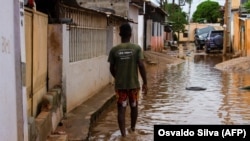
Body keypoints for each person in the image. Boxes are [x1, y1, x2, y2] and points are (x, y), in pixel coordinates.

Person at [108, 22, 148, 137]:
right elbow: (141, 65)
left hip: (120, 86)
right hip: (134, 85)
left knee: (121, 109)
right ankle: (133, 129)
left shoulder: (114, 50)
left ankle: (123, 135)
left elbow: (111, 68)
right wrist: (145, 82)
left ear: (120, 34)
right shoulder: (136, 48)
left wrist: (118, 77)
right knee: (134, 106)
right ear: (130, 34)